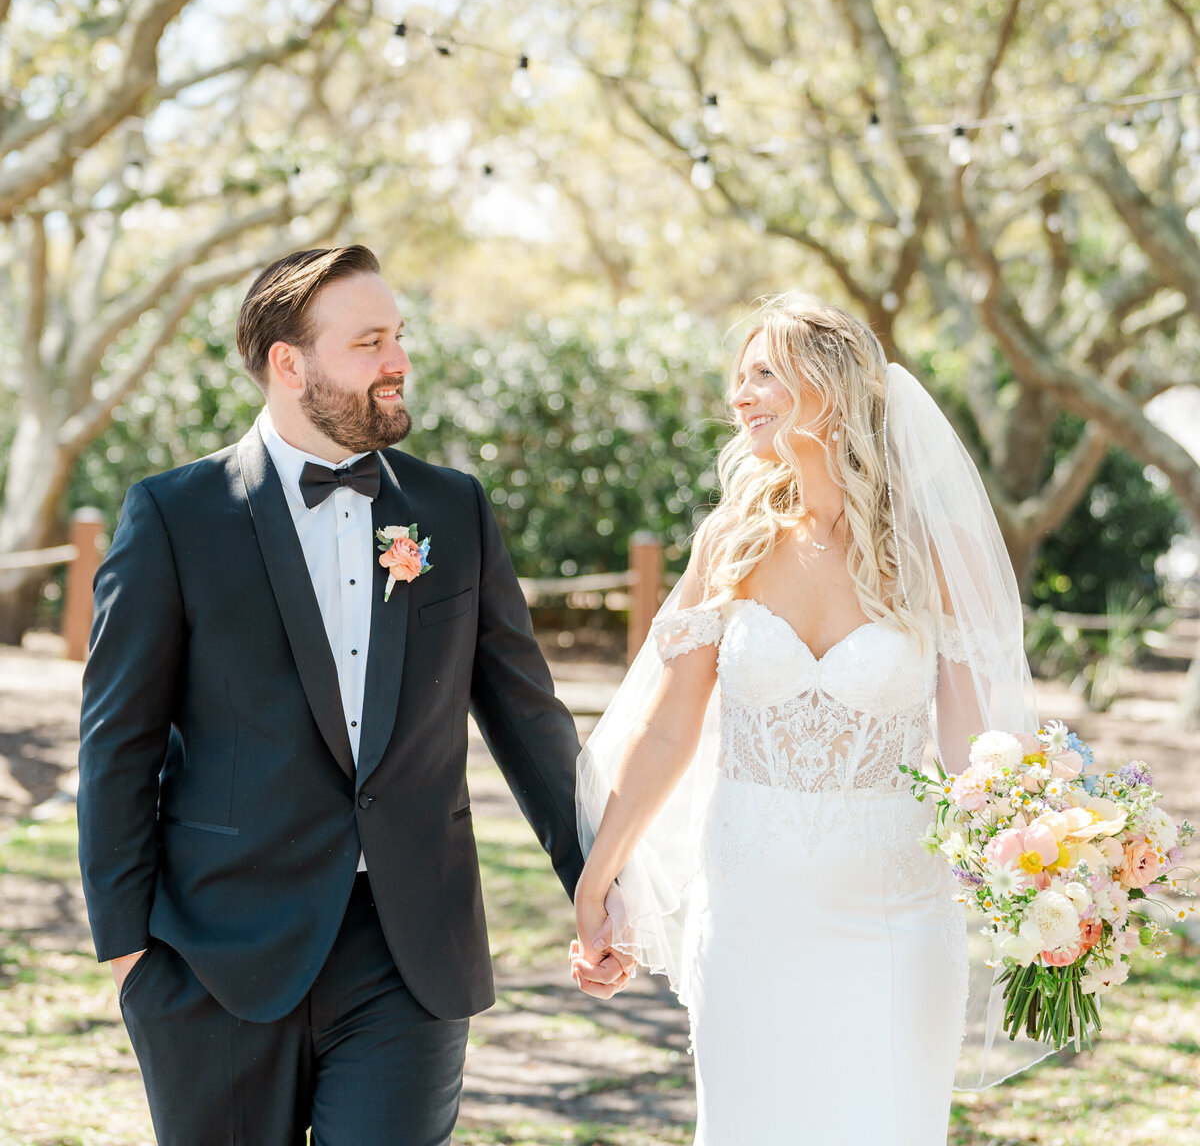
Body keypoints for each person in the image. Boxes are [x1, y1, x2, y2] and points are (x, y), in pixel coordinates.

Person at [78, 244, 630, 1146]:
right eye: (369, 341)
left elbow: (529, 719)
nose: (398, 361)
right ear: (287, 363)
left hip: (409, 953)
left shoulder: (454, 511)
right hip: (216, 956)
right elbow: (117, 745)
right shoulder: (173, 516)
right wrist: (128, 954)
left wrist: (596, 886)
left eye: (399, 336)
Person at [571, 294, 1043, 1144]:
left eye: (763, 374)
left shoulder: (932, 548)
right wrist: (599, 877)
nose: (740, 397)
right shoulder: (731, 542)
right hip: (752, 913)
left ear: (831, 384)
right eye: (737, 380)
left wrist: (1049, 866)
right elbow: (672, 727)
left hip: (896, 917)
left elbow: (977, 752)